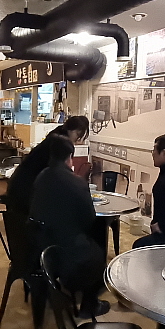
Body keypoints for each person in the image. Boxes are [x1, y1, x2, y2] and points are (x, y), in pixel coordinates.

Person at [29, 135, 109, 318]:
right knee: (97, 252)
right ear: (69, 157)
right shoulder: (77, 183)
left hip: (41, 245)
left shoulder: (41, 177)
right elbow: (89, 219)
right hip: (66, 251)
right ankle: (89, 305)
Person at [4, 115, 89, 216]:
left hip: (20, 183)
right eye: (78, 135)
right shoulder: (59, 143)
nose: (78, 140)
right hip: (24, 189)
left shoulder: (56, 136)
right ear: (71, 129)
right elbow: (58, 174)